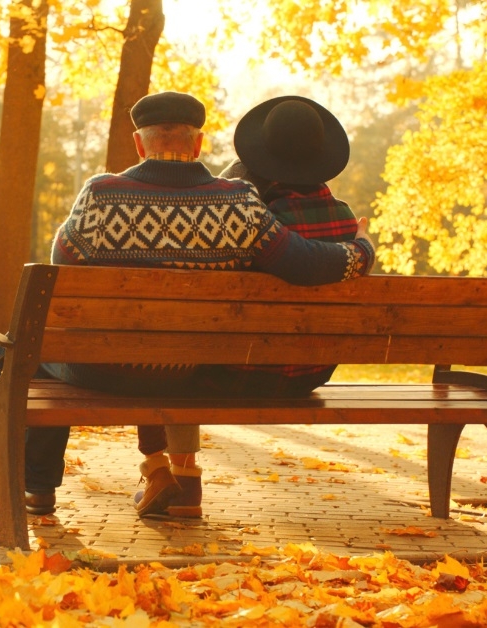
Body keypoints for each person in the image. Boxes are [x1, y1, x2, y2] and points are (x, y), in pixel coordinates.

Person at [0, 91, 374, 519]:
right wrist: (362, 251)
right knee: (54, 349)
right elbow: (307, 262)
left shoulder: (100, 196)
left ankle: (36, 484)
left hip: (104, 369)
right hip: (189, 368)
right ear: (198, 142)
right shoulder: (238, 202)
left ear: (139, 143)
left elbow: (62, 264)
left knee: (41, 351)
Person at [136, 95, 362, 517]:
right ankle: (173, 478)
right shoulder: (348, 222)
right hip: (310, 374)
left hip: (239, 372)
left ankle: (179, 476)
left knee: (173, 353)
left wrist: (234, 179)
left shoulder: (248, 217)